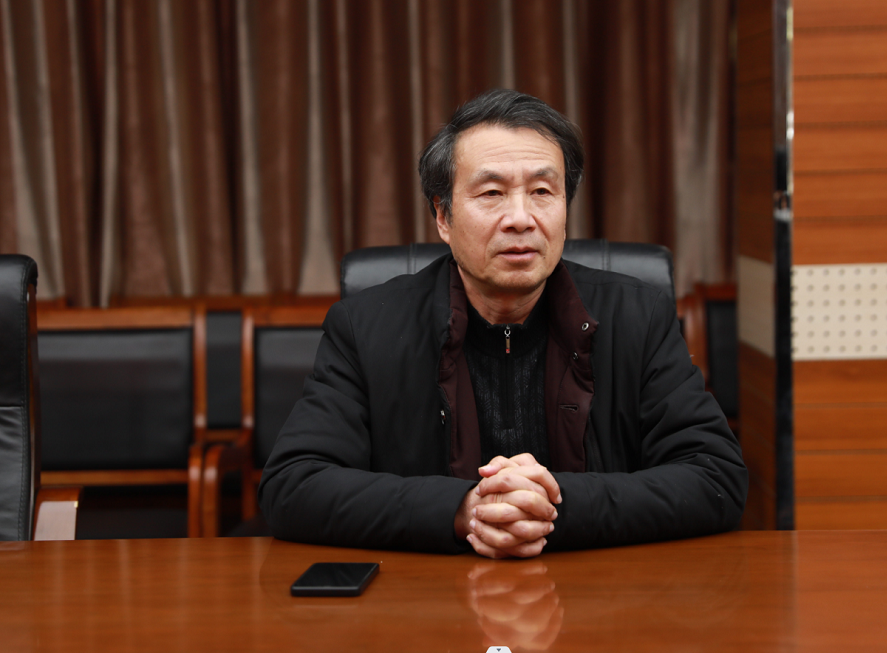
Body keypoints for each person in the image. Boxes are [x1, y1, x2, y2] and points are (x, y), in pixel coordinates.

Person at [259, 89, 747, 558]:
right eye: (492, 192)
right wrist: (461, 511)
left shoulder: (638, 315)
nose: (521, 218)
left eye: (542, 191)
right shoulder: (367, 327)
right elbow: (292, 486)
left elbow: (716, 477)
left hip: (598, 594)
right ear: (443, 217)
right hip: (429, 600)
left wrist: (552, 508)